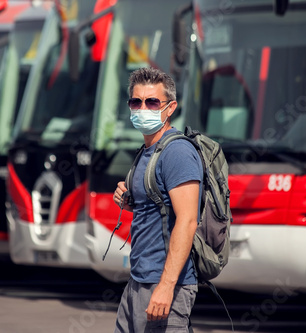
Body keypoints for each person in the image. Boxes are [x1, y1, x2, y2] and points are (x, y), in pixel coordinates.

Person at [113, 67, 202, 332]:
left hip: (165, 286)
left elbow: (187, 221)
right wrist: (130, 200)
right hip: (138, 281)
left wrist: (166, 286)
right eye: (136, 102)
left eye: (152, 102)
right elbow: (159, 207)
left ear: (170, 107)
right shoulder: (148, 150)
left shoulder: (178, 152)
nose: (143, 108)